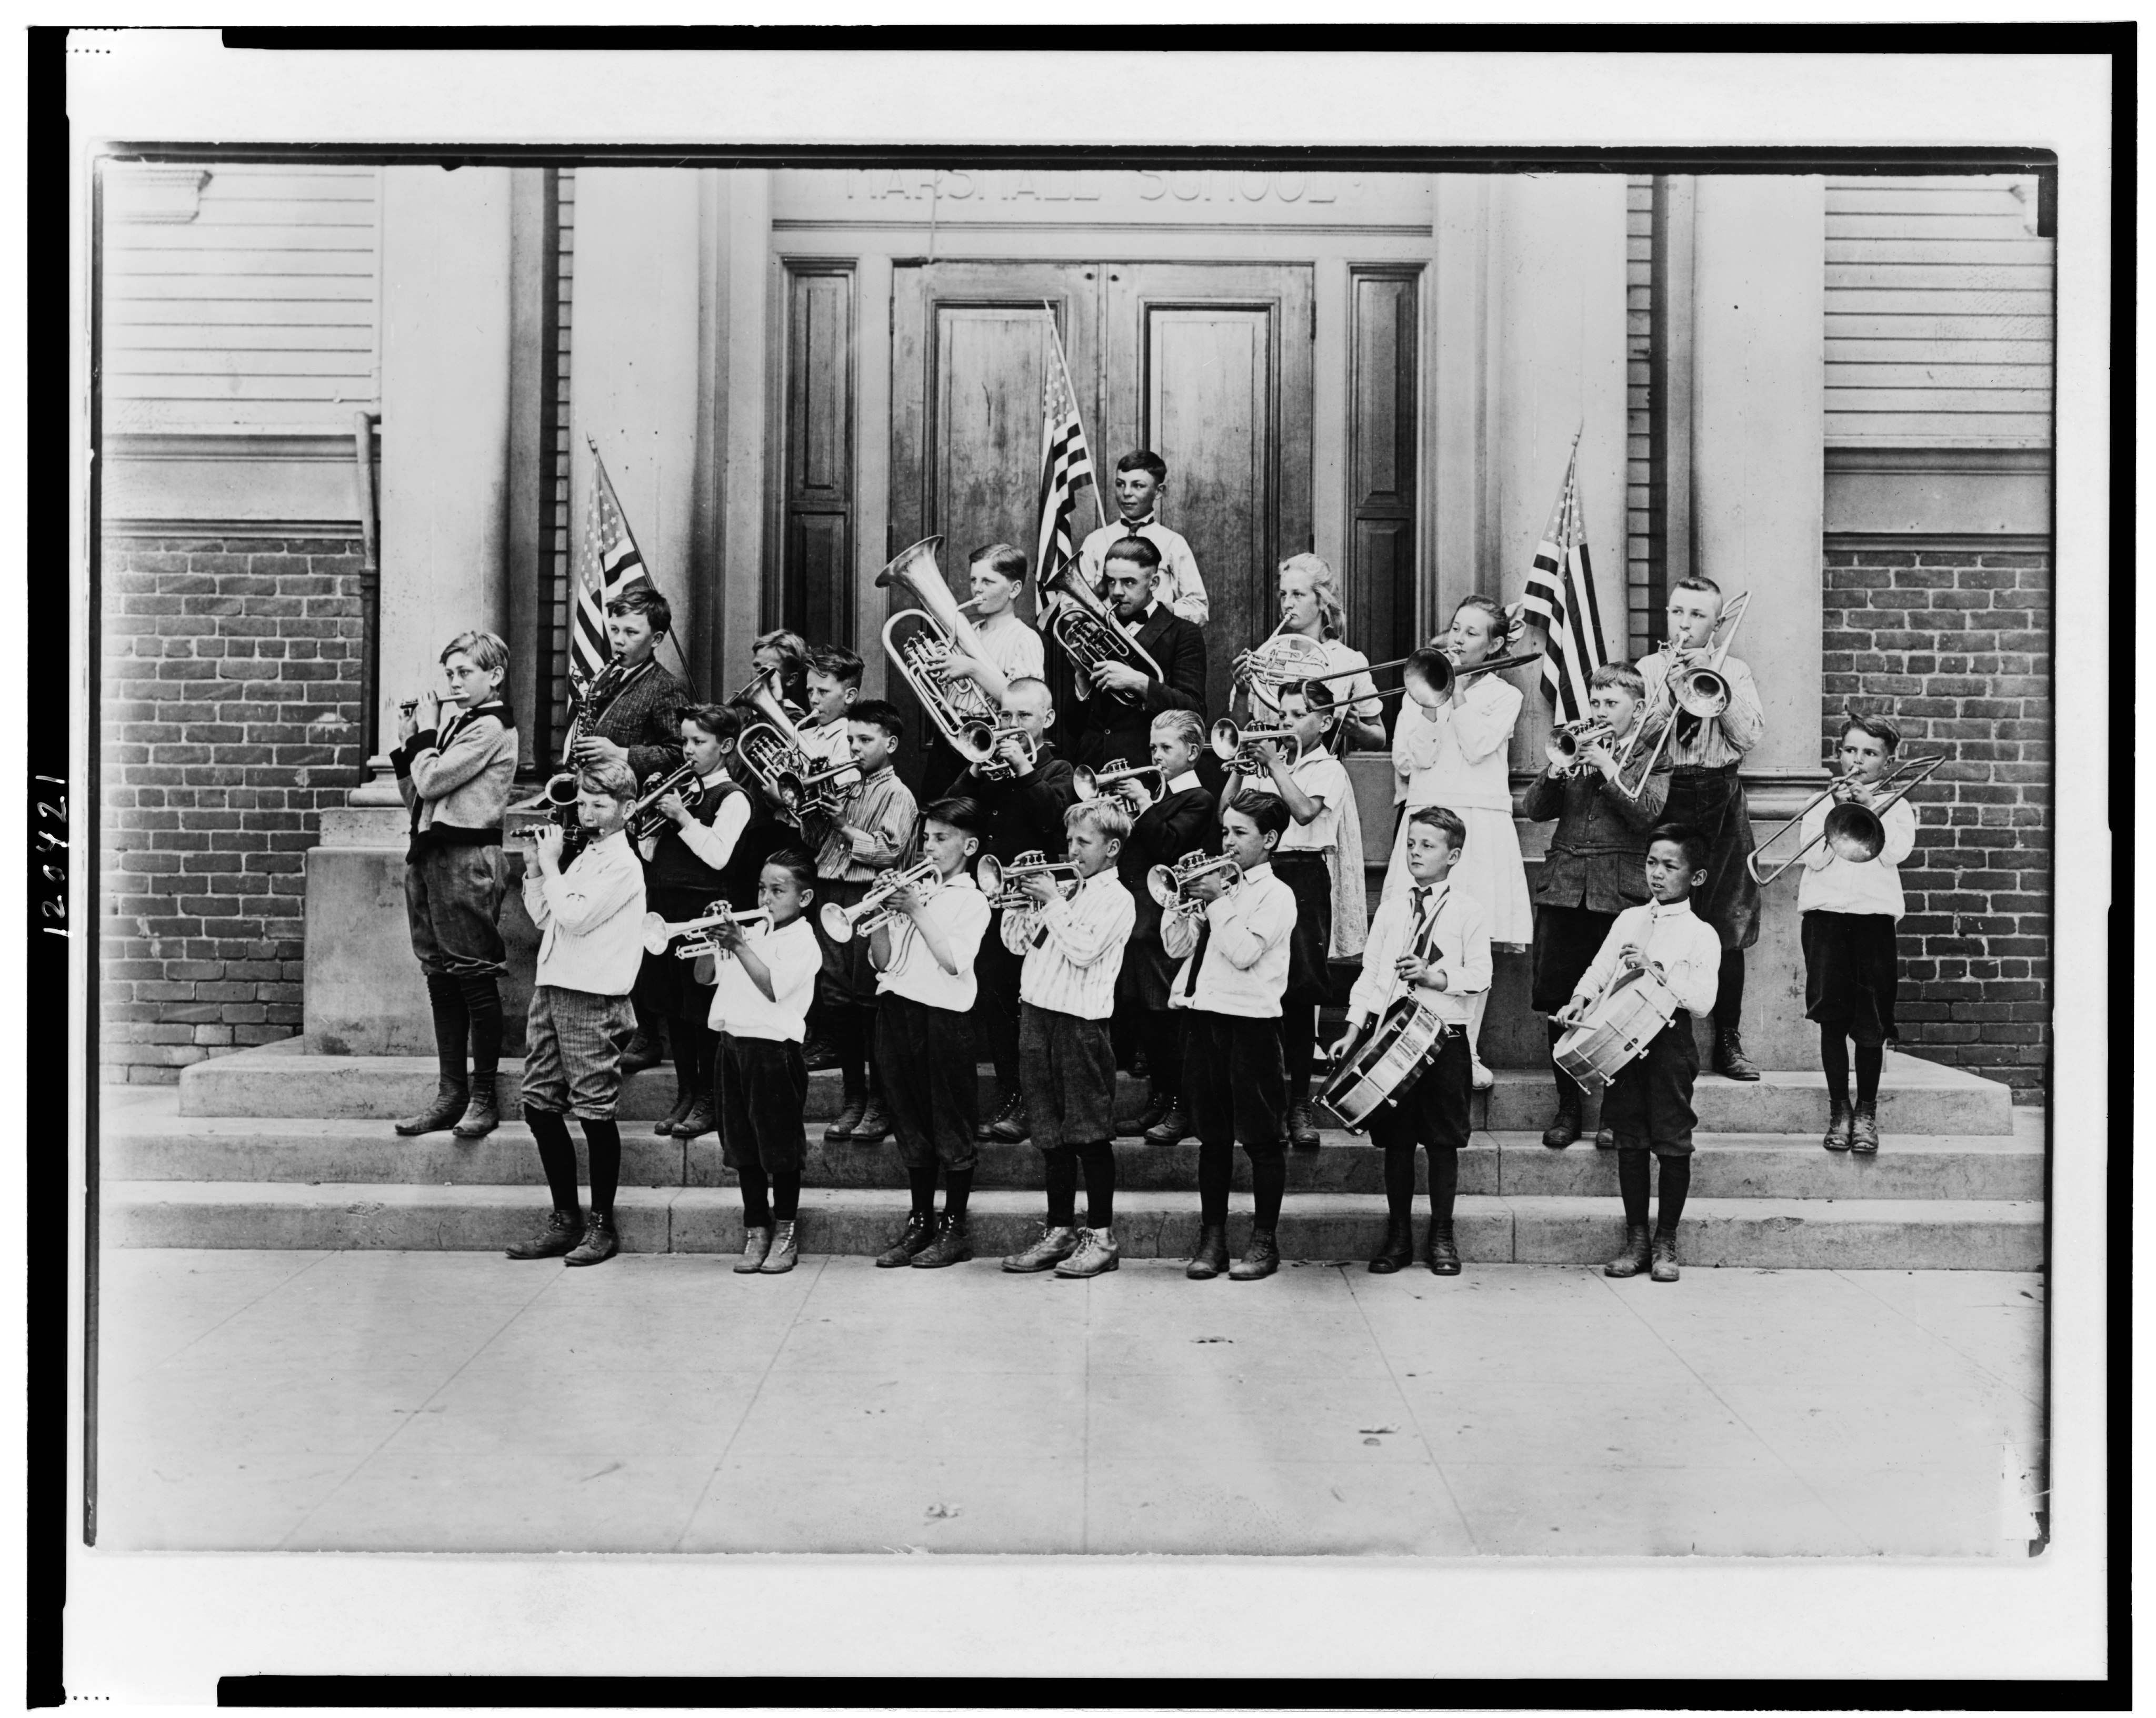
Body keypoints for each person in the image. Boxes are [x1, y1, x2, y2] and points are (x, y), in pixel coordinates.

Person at [1553, 824, 1721, 1285]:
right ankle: (1637, 1240)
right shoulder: (1629, 919)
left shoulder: (1701, 933)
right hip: (1623, 1044)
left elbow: (1704, 1001)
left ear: (1697, 877)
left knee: (1671, 1142)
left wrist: (1658, 971)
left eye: (1671, 866)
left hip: (1670, 1044)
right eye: (1651, 863)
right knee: (1630, 1141)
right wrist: (1579, 1000)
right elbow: (1600, 968)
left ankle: (1666, 1240)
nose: (1657, 874)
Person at [1518, 662, 1673, 1150]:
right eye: (1597, 703)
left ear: (1639, 708)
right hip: (1564, 889)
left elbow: (1646, 814)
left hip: (1618, 895)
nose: (1600, 712)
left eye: (1612, 704)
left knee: (1617, 1003)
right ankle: (1568, 1109)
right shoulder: (1575, 746)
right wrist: (1559, 767)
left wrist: (1608, 767)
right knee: (1559, 998)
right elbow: (1536, 809)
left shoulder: (1653, 755)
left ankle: (1613, 1111)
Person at [1383, 594, 1533, 1089]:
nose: (1458, 640)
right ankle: (1405, 1042)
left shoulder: (1503, 695)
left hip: (1479, 824)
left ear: (1493, 646)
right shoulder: (1419, 687)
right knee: (1415, 931)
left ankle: (1464, 1051)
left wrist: (1459, 692)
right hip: (1430, 813)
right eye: (1455, 629)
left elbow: (1477, 746)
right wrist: (1430, 705)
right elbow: (1410, 761)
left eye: (1472, 633)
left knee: (1469, 941)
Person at [504, 759, 648, 1268]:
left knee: (594, 1111)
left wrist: (555, 865)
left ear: (627, 810)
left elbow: (576, 915)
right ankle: (565, 1219)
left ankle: (602, 1225)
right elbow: (546, 916)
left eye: (599, 803)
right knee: (540, 1104)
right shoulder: (583, 856)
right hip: (553, 989)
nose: (586, 811)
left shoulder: (623, 865)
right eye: (582, 801)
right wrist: (535, 867)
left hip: (593, 997)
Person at [1335, 807, 1490, 1276]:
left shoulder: (1467, 910)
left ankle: (1442, 1234)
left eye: (1428, 845)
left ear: (1453, 855)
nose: (1416, 852)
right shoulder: (1391, 909)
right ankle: (1398, 1234)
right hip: (1394, 1037)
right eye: (1411, 843)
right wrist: (1353, 1028)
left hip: (1445, 1036)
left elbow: (1481, 975)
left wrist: (1435, 976)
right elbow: (1372, 974)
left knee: (1443, 1141)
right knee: (1398, 1142)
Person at [389, 629, 519, 1140]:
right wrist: (409, 740)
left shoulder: (491, 725)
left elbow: (433, 780)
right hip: (430, 858)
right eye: (450, 673)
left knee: (473, 977)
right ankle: (450, 1094)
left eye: (466, 672)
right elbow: (416, 799)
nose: (455, 682)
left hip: (467, 860)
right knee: (440, 975)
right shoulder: (456, 725)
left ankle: (482, 1096)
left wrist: (422, 738)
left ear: (495, 676)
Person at [999, 799, 1137, 1279]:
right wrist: (1022, 904)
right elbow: (1018, 946)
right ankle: (1059, 1230)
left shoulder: (1117, 899)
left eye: (1084, 842)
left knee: (1089, 1134)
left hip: (1081, 1024)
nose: (1072, 850)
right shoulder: (1062, 891)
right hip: (1037, 1015)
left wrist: (1052, 901)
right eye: (1070, 840)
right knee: (1050, 1134)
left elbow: (1082, 950)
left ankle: (1102, 1237)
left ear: (1112, 848)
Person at [1638, 575, 1766, 1080]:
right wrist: (1673, 693)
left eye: (1696, 616)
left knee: (1727, 919)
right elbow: (1642, 739)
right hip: (1668, 793)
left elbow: (1750, 735)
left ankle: (1728, 1040)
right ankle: (1651, 1032)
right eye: (1677, 613)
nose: (1684, 624)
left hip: (1721, 794)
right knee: (1656, 912)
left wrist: (1714, 679)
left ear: (1718, 623)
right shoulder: (1650, 669)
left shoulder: (1735, 668)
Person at [1167, 791, 1297, 1283]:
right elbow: (1176, 946)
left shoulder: (1275, 895)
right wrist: (1180, 907)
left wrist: (1217, 902)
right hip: (1205, 1019)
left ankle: (1265, 1242)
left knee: (1263, 1140)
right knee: (1213, 1140)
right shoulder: (1221, 887)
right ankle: (1213, 1239)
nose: (1228, 842)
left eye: (1240, 833)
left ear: (1269, 840)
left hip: (1253, 1025)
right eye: (1225, 831)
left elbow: (1243, 952)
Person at [1223, 684, 1356, 1149]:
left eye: (1299, 714)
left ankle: (1299, 1101)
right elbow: (1226, 814)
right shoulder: (1266, 764)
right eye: (1283, 712)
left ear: (1324, 722)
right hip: (1257, 872)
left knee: (1299, 991)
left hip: (1302, 873)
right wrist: (1243, 770)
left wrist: (1275, 765)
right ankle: (1260, 1100)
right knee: (1257, 984)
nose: (1287, 721)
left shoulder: (1329, 768)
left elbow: (1302, 812)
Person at [572, 583, 693, 1077]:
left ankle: (646, 1032)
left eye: (631, 631)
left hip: (638, 827)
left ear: (658, 636)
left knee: (632, 928)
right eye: (615, 629)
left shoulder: (666, 688)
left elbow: (678, 753)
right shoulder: (607, 678)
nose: (618, 639)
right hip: (596, 819)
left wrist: (621, 754)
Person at [869, 798, 993, 1270]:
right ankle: (919, 1221)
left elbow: (953, 961)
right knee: (910, 1120)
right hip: (897, 1010)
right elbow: (883, 961)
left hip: (943, 1019)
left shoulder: (972, 899)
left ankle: (953, 1227)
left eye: (942, 839)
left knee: (950, 1122)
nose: (930, 847)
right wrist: (881, 915)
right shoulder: (916, 890)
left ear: (969, 845)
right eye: (927, 838)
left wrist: (916, 908)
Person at [959, 677, 1080, 1146]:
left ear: (1047, 721)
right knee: (996, 1003)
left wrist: (1025, 767)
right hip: (991, 903)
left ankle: (1032, 1102)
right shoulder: (992, 769)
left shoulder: (1060, 769)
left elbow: (1054, 817)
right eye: (1005, 716)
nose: (1010, 726)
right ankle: (1012, 1094)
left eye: (1023, 717)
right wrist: (974, 768)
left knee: (1030, 1008)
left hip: (1035, 907)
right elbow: (954, 811)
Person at [633, 704, 758, 1143]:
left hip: (704, 909)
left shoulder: (734, 798)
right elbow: (649, 854)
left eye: (698, 742)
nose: (687, 750)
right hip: (664, 906)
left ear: (725, 747)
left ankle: (709, 1097)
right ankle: (686, 1093)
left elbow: (719, 855)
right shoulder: (677, 790)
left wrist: (682, 818)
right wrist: (649, 822)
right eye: (684, 741)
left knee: (701, 1009)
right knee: (672, 1005)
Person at [1799, 713, 1919, 1155]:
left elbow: (1897, 852)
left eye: (1870, 753)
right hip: (1826, 919)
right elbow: (1812, 860)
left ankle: (1866, 1111)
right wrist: (1838, 810)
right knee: (1832, 1018)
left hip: (1874, 920)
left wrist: (1870, 808)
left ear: (1888, 761)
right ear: (1838, 754)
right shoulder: (1819, 802)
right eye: (1851, 750)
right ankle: (1839, 1110)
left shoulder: (1899, 804)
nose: (1858, 759)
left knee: (1871, 1021)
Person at [707, 848, 825, 1275]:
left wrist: (738, 943)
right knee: (742, 1145)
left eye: (778, 890)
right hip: (732, 1044)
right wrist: (711, 938)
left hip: (774, 1051)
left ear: (805, 898)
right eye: (762, 888)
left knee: (779, 1147)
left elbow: (773, 987)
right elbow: (706, 976)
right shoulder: (752, 931)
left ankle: (787, 1231)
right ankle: (756, 1227)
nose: (766, 897)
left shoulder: (805, 942)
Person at [810, 698, 917, 1148]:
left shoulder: (898, 794)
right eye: (850, 739)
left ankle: (880, 1101)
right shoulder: (846, 787)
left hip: (868, 899)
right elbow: (816, 845)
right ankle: (853, 1097)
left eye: (864, 740)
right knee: (837, 1000)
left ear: (889, 744)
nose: (854, 747)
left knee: (869, 1001)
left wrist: (844, 826)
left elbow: (888, 851)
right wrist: (813, 812)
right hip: (832, 895)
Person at [1111, 710, 1218, 1146]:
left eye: (1166, 748)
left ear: (1193, 753)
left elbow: (1170, 843)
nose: (1155, 756)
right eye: (1153, 747)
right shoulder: (1153, 796)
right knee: (1143, 1014)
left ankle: (1181, 1106)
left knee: (1166, 1015)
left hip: (1164, 919)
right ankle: (1159, 1097)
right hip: (1135, 918)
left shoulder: (1199, 799)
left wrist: (1143, 805)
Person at [1063, 537, 1207, 775]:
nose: (1117, 592)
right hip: (1091, 771)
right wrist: (1081, 675)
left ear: (1154, 582)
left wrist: (1138, 682)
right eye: (1111, 582)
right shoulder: (1096, 629)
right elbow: (1074, 727)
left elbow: (1194, 712)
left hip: (1146, 771)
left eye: (1129, 582)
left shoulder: (1183, 633)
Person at [919, 543, 1049, 800]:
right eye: (974, 580)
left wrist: (972, 669)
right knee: (938, 806)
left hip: (991, 739)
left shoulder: (1025, 638)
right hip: (949, 736)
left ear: (1014, 589)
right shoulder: (967, 631)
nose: (977, 588)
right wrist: (937, 671)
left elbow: (1026, 704)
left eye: (988, 581)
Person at [1076, 450, 1209, 624]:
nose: (1127, 493)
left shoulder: (1173, 543)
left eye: (1138, 485)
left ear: (1159, 491)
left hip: (1155, 642)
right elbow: (1071, 610)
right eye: (1120, 484)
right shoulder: (1096, 541)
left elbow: (1199, 609)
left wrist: (1160, 610)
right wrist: (1099, 590)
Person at [748, 628, 812, 719]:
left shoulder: (794, 715)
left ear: (791, 679)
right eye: (757, 665)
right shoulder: (741, 708)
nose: (759, 675)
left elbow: (773, 732)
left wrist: (777, 693)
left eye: (768, 670)